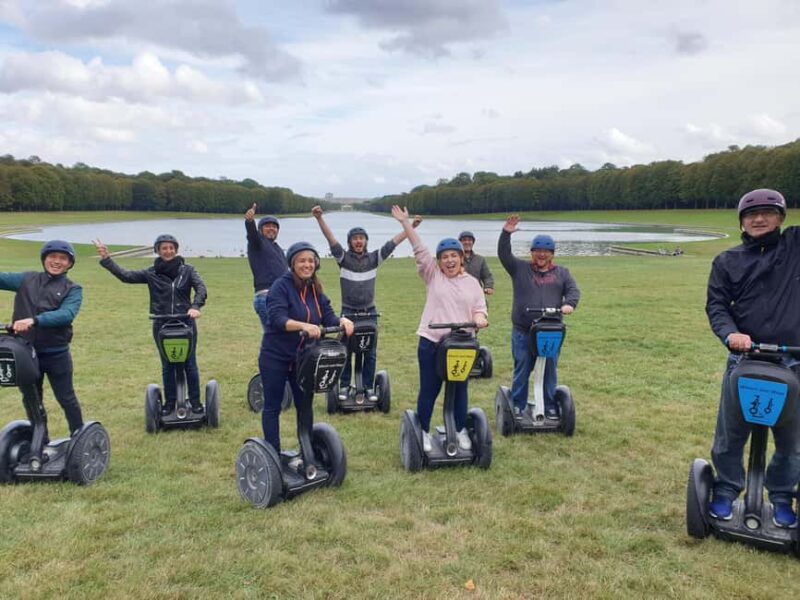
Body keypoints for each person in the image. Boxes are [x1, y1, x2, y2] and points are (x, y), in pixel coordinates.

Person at [705, 188, 800, 528]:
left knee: (792, 440)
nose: (759, 218)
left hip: (792, 358)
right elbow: (716, 306)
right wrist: (731, 335)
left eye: (767, 212)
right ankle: (726, 490)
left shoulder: (794, 247)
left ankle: (781, 496)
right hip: (745, 358)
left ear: (781, 217)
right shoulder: (727, 262)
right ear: (742, 221)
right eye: (751, 214)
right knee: (731, 433)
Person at [391, 205, 488, 452]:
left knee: (459, 389)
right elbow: (420, 250)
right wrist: (406, 224)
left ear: (462, 257)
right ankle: (422, 430)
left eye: (454, 255)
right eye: (445, 257)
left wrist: (479, 319)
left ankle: (459, 428)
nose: (450, 260)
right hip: (432, 342)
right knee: (430, 389)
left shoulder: (473, 283)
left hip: (462, 344)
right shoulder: (433, 275)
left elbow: (479, 307)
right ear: (439, 261)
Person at [312, 205, 421, 401]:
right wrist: (320, 219)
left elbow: (392, 243)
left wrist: (410, 225)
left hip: (370, 312)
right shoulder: (343, 259)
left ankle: (369, 387)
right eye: (355, 238)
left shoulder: (374, 259)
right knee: (346, 350)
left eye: (361, 238)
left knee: (369, 352)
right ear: (350, 242)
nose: (358, 241)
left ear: (366, 241)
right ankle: (344, 386)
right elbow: (330, 239)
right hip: (349, 313)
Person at [95, 235, 207, 415]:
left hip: (185, 322)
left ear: (176, 250)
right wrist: (107, 259)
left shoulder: (188, 270)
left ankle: (195, 402)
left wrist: (195, 307)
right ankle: (170, 403)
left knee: (190, 364)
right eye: (164, 248)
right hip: (161, 323)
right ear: (157, 250)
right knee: (167, 365)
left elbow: (201, 288)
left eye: (171, 247)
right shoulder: (151, 273)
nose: (168, 251)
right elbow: (126, 276)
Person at [260, 241, 354, 453]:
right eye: (302, 260)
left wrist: (342, 321)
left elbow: (327, 314)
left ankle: (308, 452)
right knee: (273, 406)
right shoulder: (280, 286)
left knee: (305, 406)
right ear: (293, 264)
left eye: (311, 261)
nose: (307, 265)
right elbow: (277, 318)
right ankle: (273, 455)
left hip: (304, 358)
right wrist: (304, 325)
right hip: (275, 357)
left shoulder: (314, 288)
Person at [498, 216, 580, 419]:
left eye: (546, 251)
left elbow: (573, 290)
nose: (541, 255)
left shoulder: (562, 273)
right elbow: (504, 254)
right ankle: (517, 405)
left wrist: (569, 304)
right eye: (537, 251)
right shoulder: (520, 269)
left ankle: (550, 405)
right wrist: (506, 233)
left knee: (549, 368)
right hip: (523, 330)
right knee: (523, 367)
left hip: (550, 331)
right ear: (532, 252)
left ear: (552, 254)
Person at [0, 241, 85, 434]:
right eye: (52, 257)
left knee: (65, 397)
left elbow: (67, 314)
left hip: (56, 354)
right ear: (44, 259)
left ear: (70, 264)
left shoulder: (73, 289)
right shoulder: (26, 279)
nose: (56, 261)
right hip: (25, 353)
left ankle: (79, 437)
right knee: (31, 398)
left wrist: (34, 320)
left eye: (63, 258)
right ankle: (41, 439)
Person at [245, 203, 288, 332]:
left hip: (281, 297)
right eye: (267, 226)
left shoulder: (278, 249)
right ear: (260, 230)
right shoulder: (257, 243)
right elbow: (252, 234)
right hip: (266, 297)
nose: (271, 228)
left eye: (274, 226)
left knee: (282, 337)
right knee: (275, 337)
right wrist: (249, 222)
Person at [458, 231, 494, 295]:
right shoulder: (455, 259)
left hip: (477, 294)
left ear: (473, 242)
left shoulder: (480, 259)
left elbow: (487, 276)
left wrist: (488, 286)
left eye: (469, 240)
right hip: (459, 294)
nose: (467, 242)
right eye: (464, 240)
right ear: (459, 243)